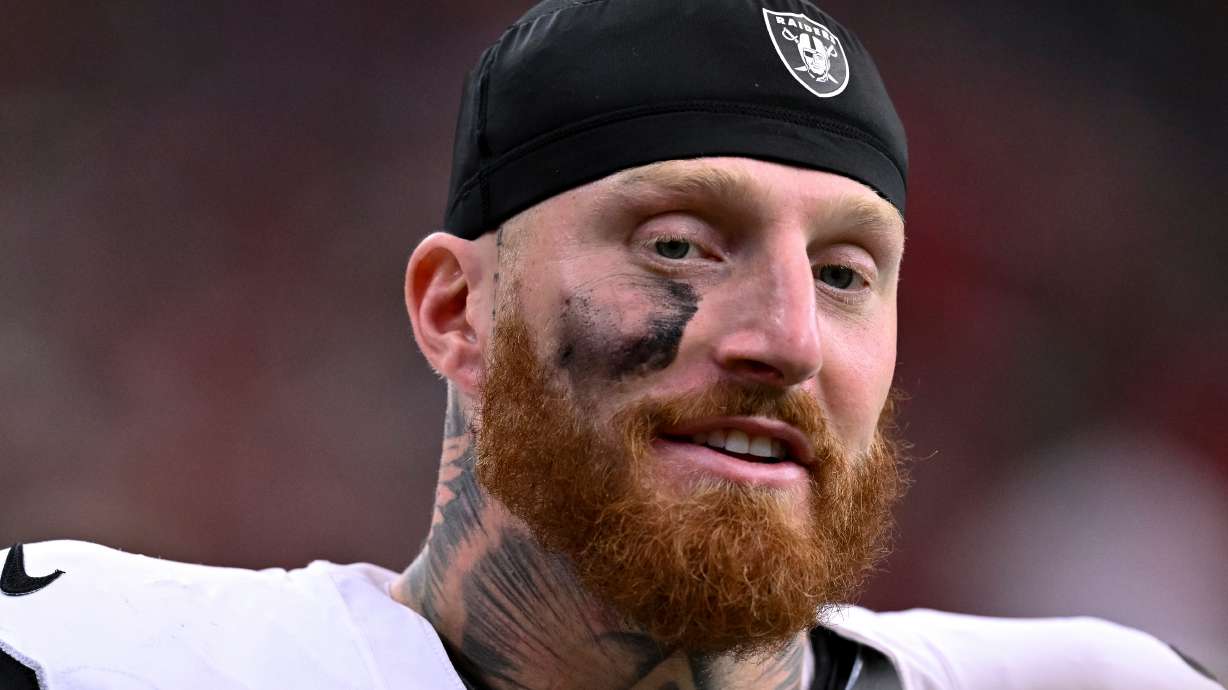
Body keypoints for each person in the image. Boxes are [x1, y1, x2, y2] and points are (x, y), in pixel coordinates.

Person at [0, 1, 1221, 688]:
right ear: (453, 311)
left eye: (846, 274)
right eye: (681, 247)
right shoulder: (95, 656)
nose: (787, 336)